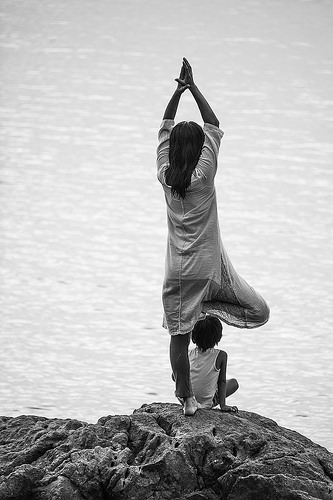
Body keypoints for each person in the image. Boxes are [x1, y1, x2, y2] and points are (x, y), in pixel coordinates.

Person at [157, 58, 269, 416]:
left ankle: (187, 399)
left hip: (177, 270)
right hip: (209, 269)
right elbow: (214, 126)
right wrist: (192, 88)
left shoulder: (164, 176)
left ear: (174, 151)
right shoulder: (203, 177)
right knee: (258, 311)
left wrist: (176, 92)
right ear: (197, 150)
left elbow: (164, 128)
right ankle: (201, 308)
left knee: (178, 335)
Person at [188, 315, 239, 413]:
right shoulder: (221, 355)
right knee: (233, 383)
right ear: (218, 337)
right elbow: (222, 382)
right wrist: (223, 406)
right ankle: (210, 399)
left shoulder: (187, 353)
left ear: (193, 337)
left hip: (186, 400)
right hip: (206, 403)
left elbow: (175, 376)